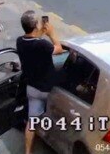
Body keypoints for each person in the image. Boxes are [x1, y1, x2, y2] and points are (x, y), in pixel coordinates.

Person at [16, 10, 64, 154]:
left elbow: (33, 39)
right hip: (48, 90)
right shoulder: (43, 45)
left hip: (32, 88)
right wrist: (51, 33)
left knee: (31, 122)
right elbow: (59, 49)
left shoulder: (20, 41)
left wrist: (40, 32)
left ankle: (27, 151)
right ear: (36, 26)